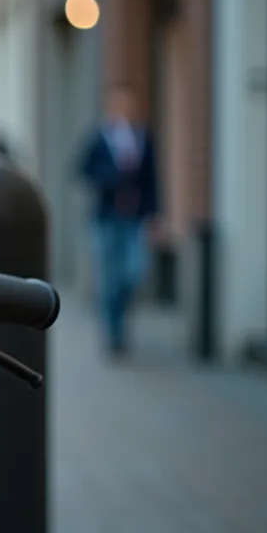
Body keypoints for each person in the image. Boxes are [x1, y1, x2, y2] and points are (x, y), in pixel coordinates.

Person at [77, 84, 159, 359]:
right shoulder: (100, 138)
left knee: (134, 272)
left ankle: (120, 317)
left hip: (135, 218)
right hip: (107, 218)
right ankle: (114, 335)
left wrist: (155, 213)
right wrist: (111, 179)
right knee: (109, 278)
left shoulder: (143, 137)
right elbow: (83, 170)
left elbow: (152, 179)